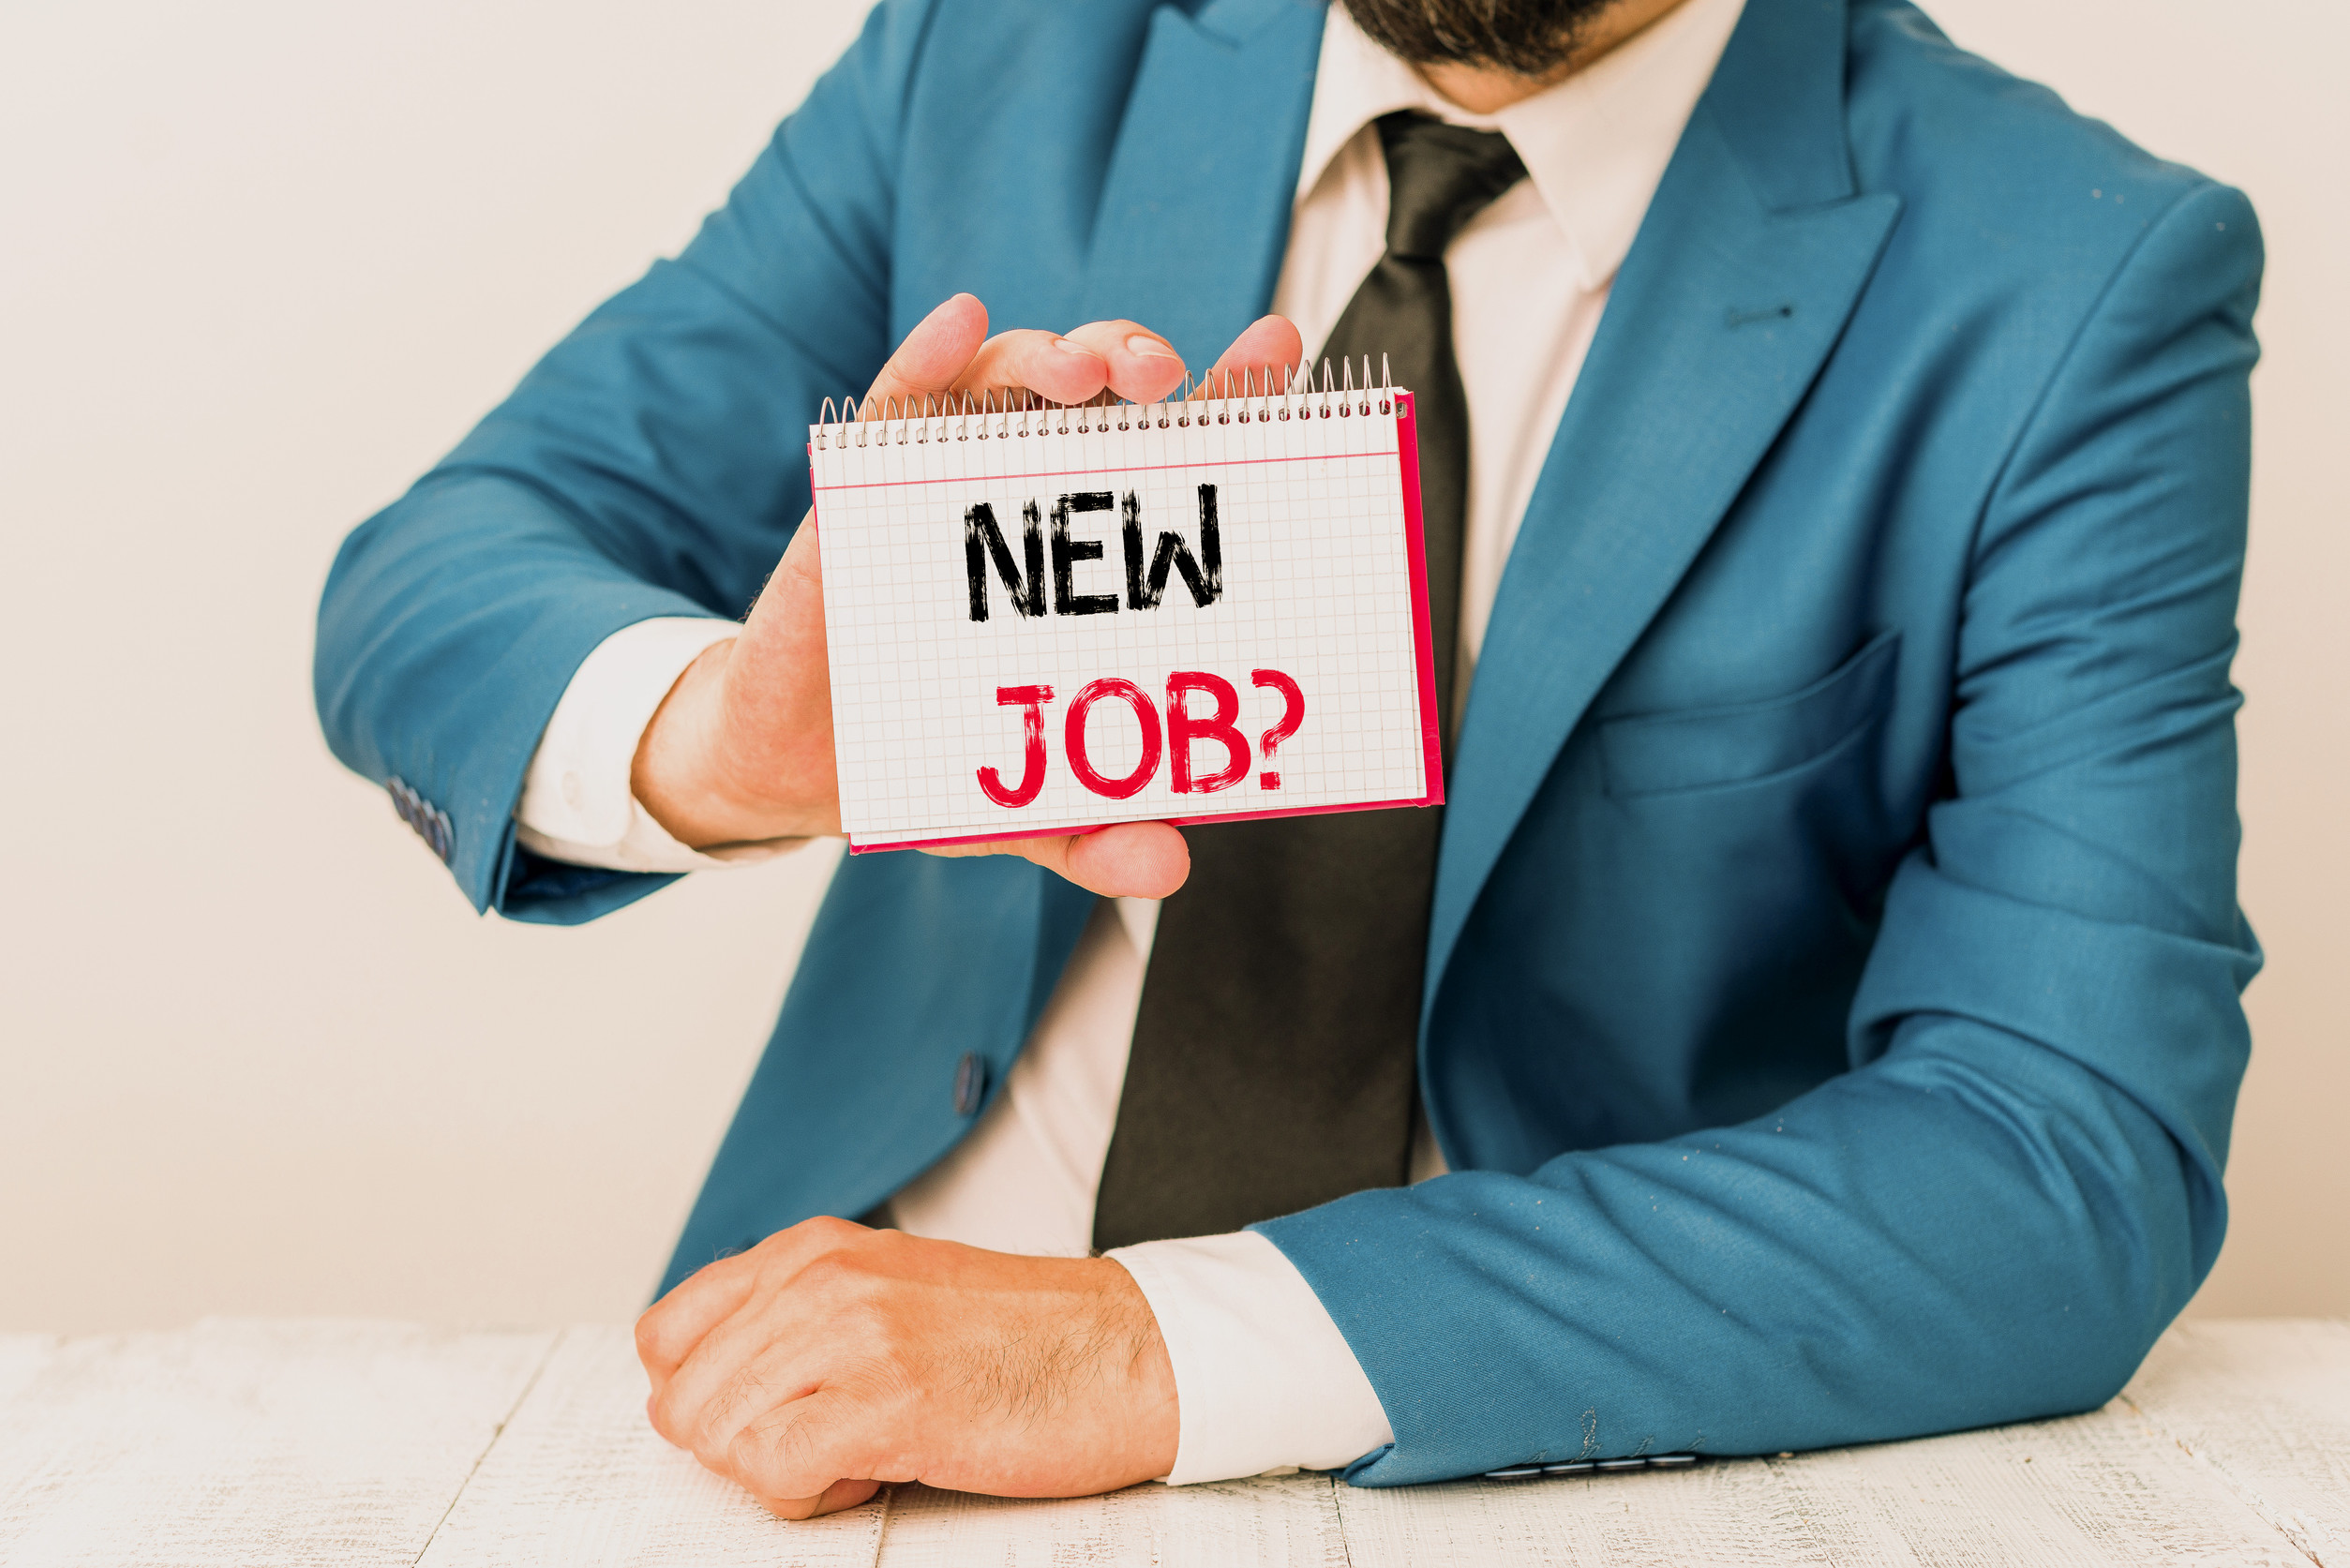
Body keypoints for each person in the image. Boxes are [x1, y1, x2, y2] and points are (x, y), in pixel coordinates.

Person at [315, 0, 2262, 1522]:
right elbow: (436, 576)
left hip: (1527, 1452)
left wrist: (1145, 1344)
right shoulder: (992, 61)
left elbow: (2063, 1155)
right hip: (839, 1431)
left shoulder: (2072, 280)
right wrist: (735, 740)